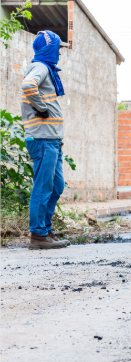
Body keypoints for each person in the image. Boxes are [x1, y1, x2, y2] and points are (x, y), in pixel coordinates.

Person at [21, 30, 70, 249]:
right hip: (42, 139)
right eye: (57, 49)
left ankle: (45, 229)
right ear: (49, 49)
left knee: (56, 186)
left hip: (52, 139)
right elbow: (28, 86)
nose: (59, 53)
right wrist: (42, 109)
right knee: (43, 186)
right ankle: (38, 235)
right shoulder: (40, 67)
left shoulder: (47, 69)